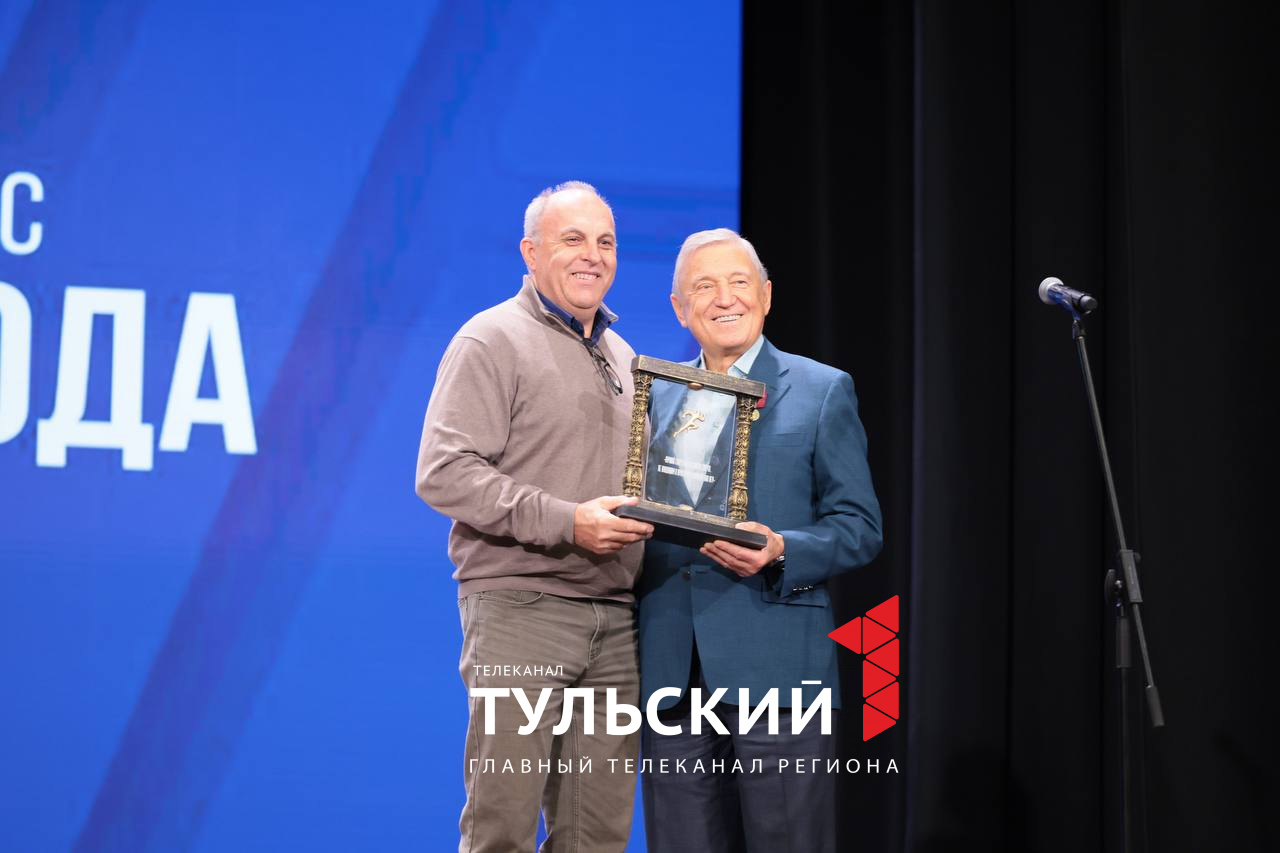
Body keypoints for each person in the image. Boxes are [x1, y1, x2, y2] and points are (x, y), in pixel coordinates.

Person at [416, 181, 654, 852]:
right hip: (522, 610)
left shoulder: (625, 357)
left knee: (597, 837)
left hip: (616, 619)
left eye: (605, 242)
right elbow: (443, 471)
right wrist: (567, 520)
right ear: (530, 251)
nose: (592, 255)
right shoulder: (490, 338)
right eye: (572, 239)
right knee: (503, 828)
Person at [637, 228, 883, 853]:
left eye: (738, 282)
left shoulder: (822, 390)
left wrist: (782, 548)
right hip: (673, 670)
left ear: (766, 296)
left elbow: (860, 527)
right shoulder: (652, 398)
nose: (725, 298)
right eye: (704, 287)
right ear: (680, 308)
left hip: (779, 667)